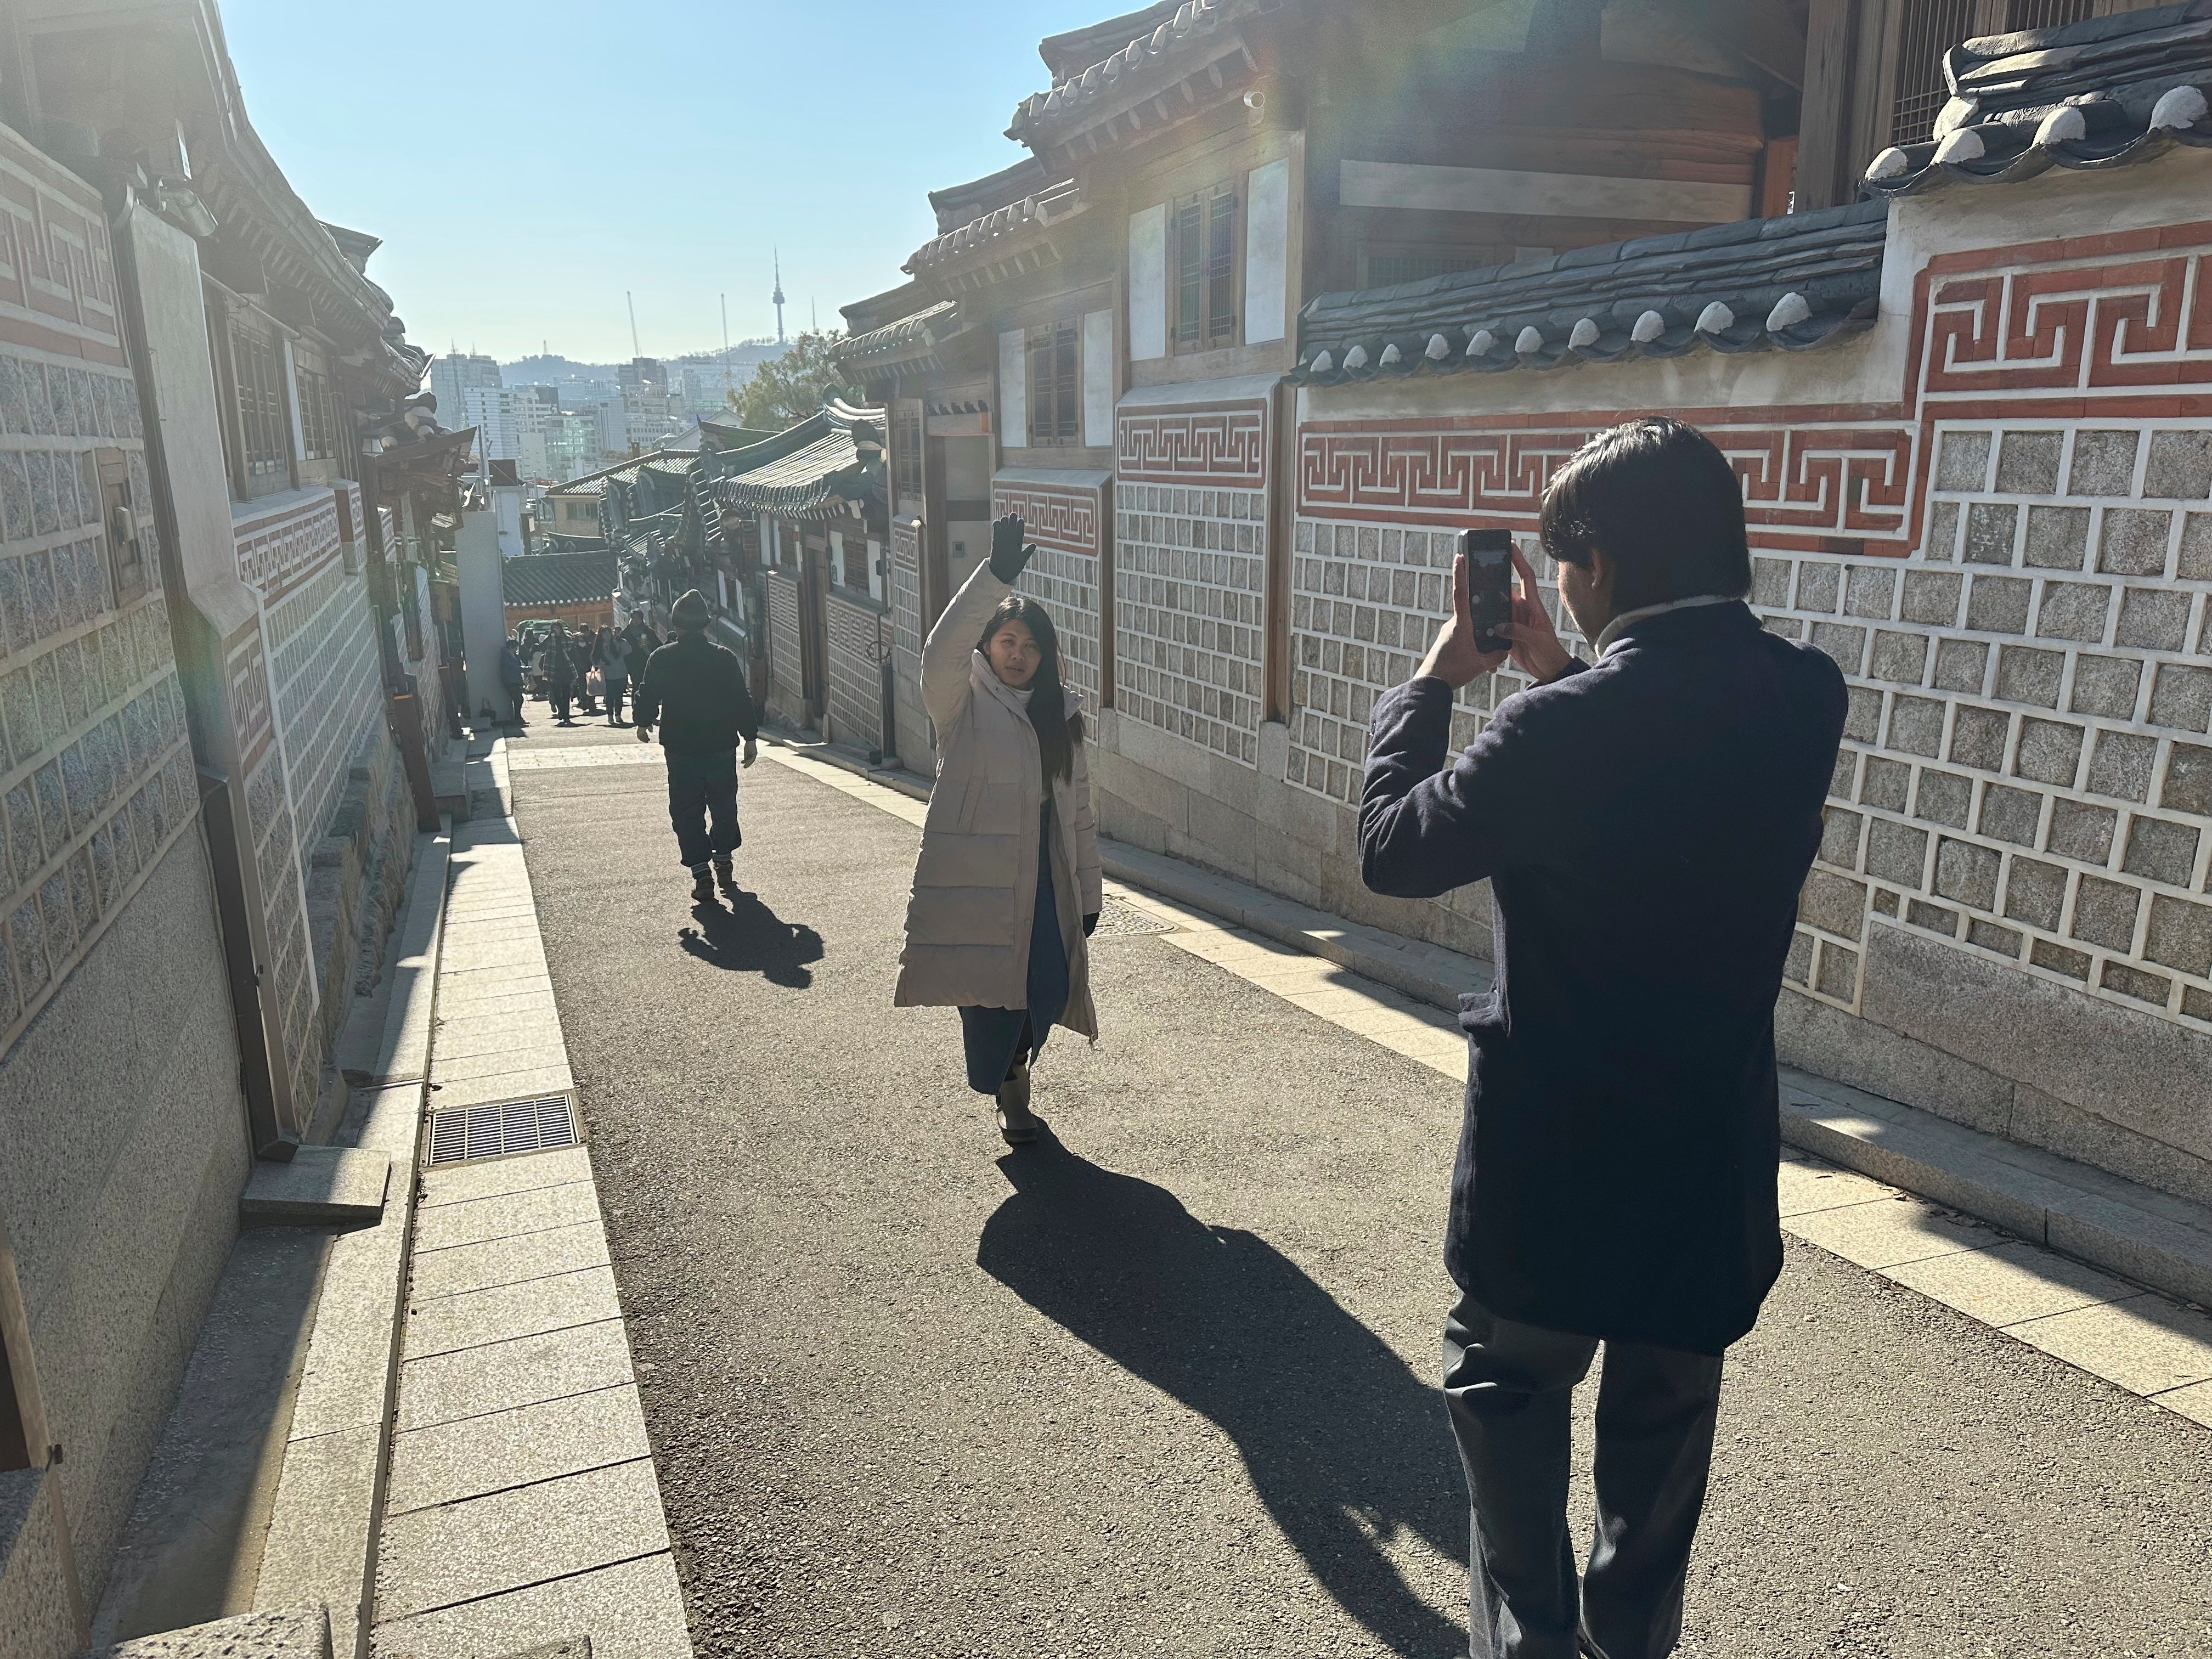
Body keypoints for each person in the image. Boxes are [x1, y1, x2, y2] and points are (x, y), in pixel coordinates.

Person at [1357, 418, 1846, 1659]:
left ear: (1600, 570)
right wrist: (1559, 675)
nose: (1558, 583)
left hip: (1550, 1181)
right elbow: (1662, 756)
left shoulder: (1551, 735)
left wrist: (1431, 685)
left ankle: (1530, 1641)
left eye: (1565, 562)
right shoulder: (1805, 698)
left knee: (1507, 1408)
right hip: (1703, 1175)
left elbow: (1392, 847)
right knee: (1662, 1447)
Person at [894, 514, 1102, 1147]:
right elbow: (939, 653)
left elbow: (1080, 811)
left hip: (1044, 879)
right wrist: (994, 579)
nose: (1019, 655)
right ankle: (1013, 1099)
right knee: (991, 1000)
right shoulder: (960, 702)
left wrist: (1088, 896)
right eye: (1008, 641)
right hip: (980, 884)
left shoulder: (1057, 715)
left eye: (1031, 646)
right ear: (988, 646)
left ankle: (1015, 1083)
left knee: (1042, 985)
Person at [635, 588, 759, 904]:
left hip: (681, 745)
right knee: (723, 803)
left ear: (675, 626)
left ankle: (702, 873)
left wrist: (644, 721)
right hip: (720, 744)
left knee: (686, 808)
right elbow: (740, 699)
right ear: (706, 625)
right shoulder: (722, 657)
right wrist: (750, 737)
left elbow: (649, 693)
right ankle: (724, 860)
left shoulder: (662, 657)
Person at [543, 622, 577, 725]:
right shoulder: (549, 640)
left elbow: (572, 651)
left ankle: (566, 715)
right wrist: (550, 636)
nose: (555, 630)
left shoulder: (566, 639)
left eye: (557, 628)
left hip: (565, 668)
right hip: (553, 669)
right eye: (554, 628)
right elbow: (541, 647)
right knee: (556, 694)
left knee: (566, 694)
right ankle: (562, 712)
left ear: (561, 630)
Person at [595, 625, 630, 726]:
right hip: (608, 674)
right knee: (610, 696)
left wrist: (621, 640)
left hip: (620, 673)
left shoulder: (617, 643)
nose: (607, 635)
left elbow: (628, 651)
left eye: (608, 633)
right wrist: (600, 664)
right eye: (604, 633)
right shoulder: (599, 646)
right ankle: (610, 715)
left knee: (619, 696)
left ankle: (618, 715)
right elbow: (594, 658)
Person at [623, 615, 661, 697]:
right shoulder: (626, 633)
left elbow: (658, 646)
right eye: (634, 618)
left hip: (647, 661)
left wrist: (649, 645)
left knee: (647, 684)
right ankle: (636, 706)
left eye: (638, 618)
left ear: (642, 619)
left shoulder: (648, 631)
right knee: (636, 685)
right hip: (632, 663)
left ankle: (647, 705)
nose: (636, 620)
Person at [497, 637, 526, 725]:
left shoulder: (515, 656)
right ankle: (517, 717)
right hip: (509, 680)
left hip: (516, 680)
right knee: (517, 699)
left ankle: (518, 716)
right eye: (515, 648)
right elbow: (511, 666)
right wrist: (523, 669)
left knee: (520, 699)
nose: (516, 650)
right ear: (511, 647)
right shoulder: (506, 657)